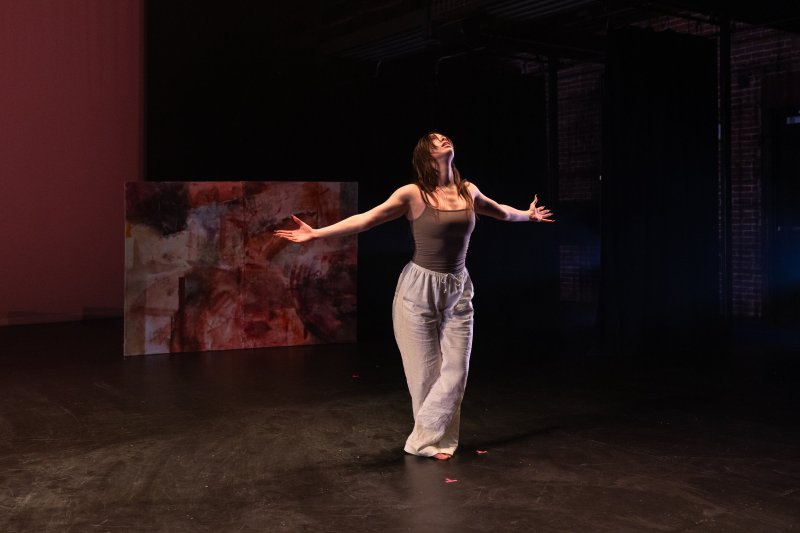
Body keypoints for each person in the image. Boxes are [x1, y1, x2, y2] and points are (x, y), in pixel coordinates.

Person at [274, 132, 554, 460]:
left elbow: (501, 212)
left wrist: (528, 214)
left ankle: (427, 438)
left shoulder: (469, 191)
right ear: (425, 155)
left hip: (458, 287)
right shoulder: (413, 194)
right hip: (418, 290)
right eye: (436, 141)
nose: (444, 141)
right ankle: (433, 442)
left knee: (456, 370)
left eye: (446, 138)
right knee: (424, 373)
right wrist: (316, 233)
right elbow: (367, 219)